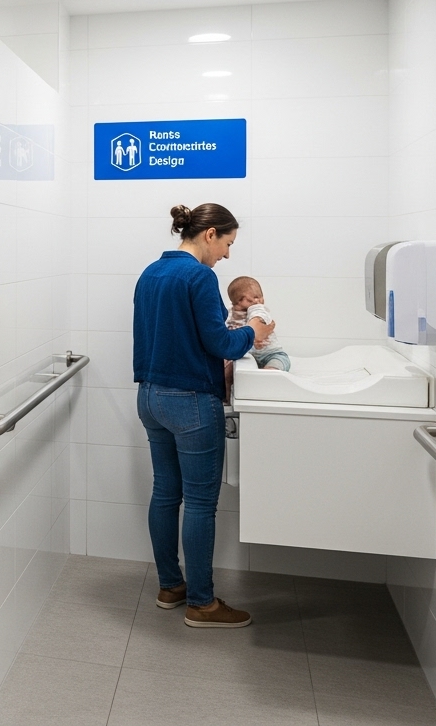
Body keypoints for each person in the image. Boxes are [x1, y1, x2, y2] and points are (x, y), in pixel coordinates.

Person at [132, 204, 274, 629]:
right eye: (228, 244)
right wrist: (255, 332)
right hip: (191, 401)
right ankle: (202, 603)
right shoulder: (198, 276)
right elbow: (221, 344)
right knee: (198, 502)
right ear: (209, 234)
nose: (227, 255)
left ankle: (170, 586)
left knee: (165, 493)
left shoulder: (150, 273)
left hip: (150, 397)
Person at [226, 276, 289, 371]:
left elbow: (260, 319)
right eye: (254, 297)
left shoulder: (259, 310)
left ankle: (270, 371)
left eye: (260, 296)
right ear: (238, 301)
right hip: (245, 356)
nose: (258, 300)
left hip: (270, 354)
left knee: (279, 362)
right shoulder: (230, 314)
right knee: (229, 367)